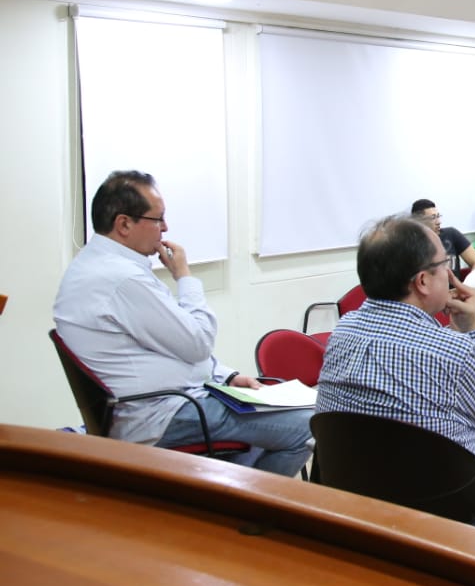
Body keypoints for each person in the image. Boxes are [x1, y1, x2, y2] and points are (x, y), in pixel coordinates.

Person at [315, 215, 475, 541]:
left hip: (353, 493)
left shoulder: (341, 332)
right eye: (445, 264)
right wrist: (472, 330)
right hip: (450, 505)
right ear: (423, 281)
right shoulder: (453, 351)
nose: (451, 273)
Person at [53, 171, 311, 477]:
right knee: (308, 426)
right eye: (158, 219)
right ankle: (250, 514)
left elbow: (171, 342)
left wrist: (225, 376)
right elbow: (197, 342)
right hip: (164, 415)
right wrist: (184, 277)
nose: (165, 228)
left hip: (156, 405)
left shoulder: (95, 265)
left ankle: (225, 503)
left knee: (266, 432)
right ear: (124, 224)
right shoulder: (122, 280)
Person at [410, 198, 475, 272]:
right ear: (419, 221)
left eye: (438, 216)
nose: (438, 222)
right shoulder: (412, 246)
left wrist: (467, 282)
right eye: (433, 218)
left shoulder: (451, 234)